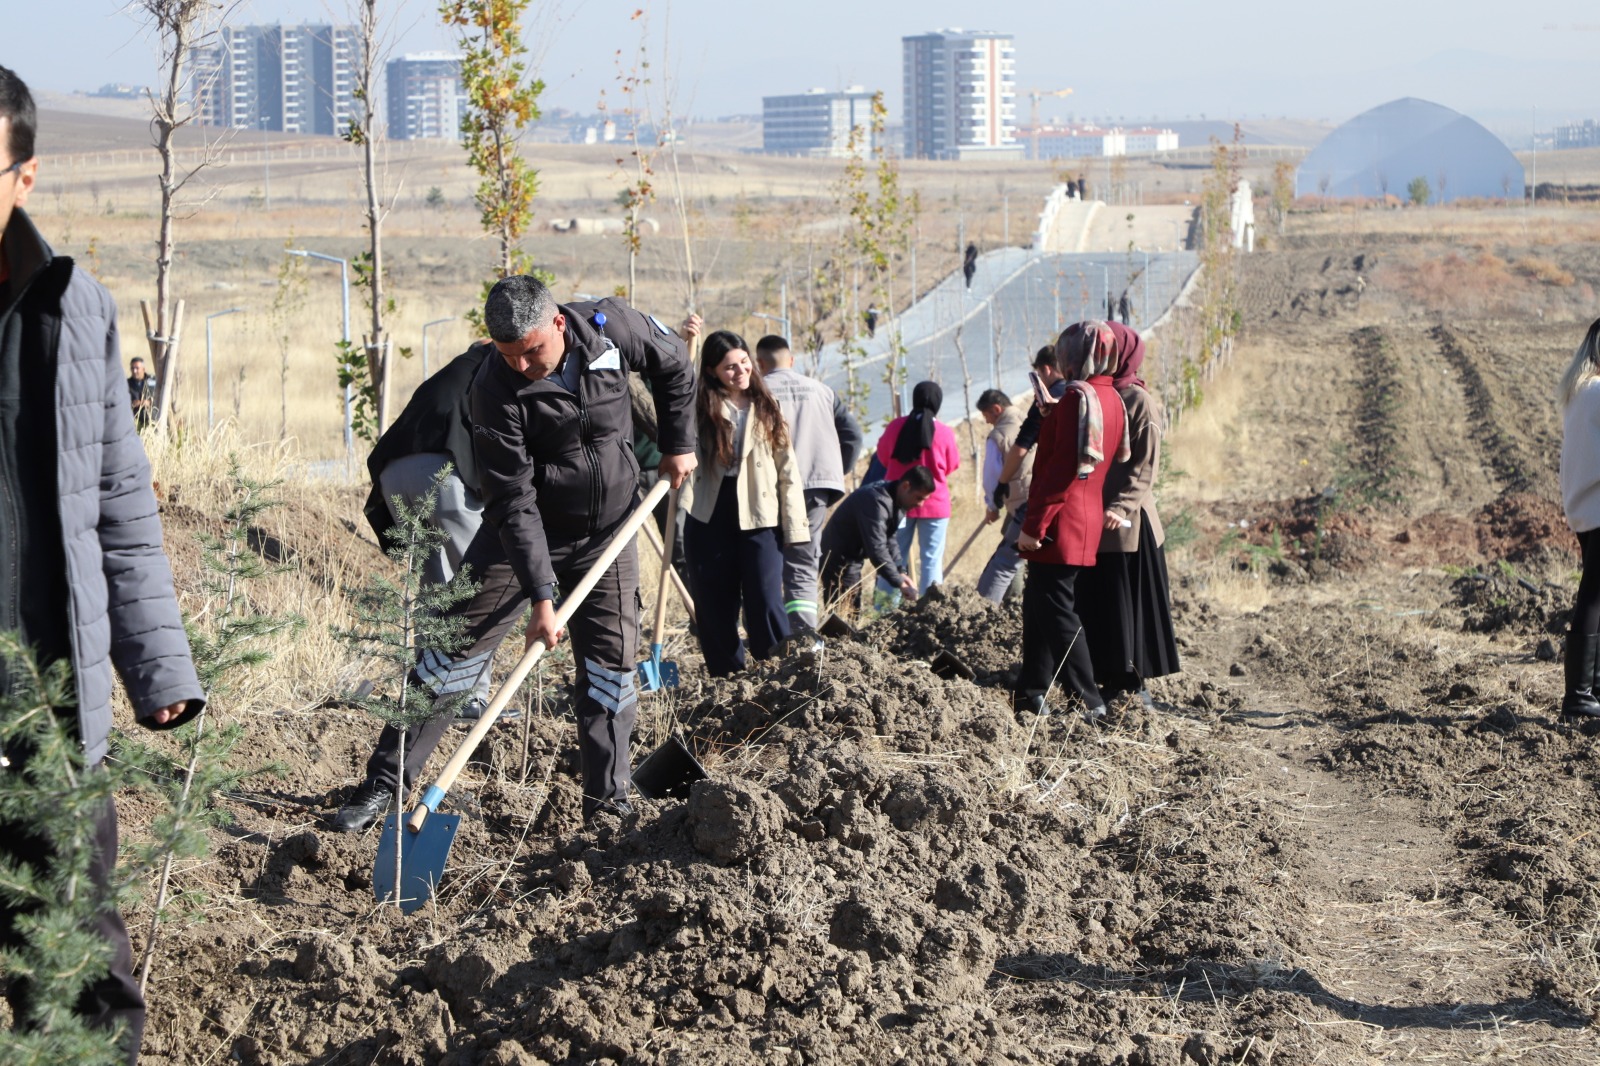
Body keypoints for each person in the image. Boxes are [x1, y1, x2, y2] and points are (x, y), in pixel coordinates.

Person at [0, 67, 204, 1062]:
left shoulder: (75, 313)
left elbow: (120, 503)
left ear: (22, 176)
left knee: (77, 964)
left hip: (39, 698)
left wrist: (156, 666)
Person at [332, 277, 695, 831]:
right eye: (510, 356)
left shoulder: (611, 328)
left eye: (532, 352)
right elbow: (512, 498)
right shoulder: (492, 389)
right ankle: (385, 783)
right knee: (452, 655)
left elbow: (673, 364)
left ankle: (607, 807)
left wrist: (679, 443)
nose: (523, 366)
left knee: (611, 669)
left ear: (557, 323)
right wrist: (542, 597)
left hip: (610, 532)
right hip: (522, 536)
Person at [362, 341, 502, 715]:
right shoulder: (496, 372)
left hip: (395, 476)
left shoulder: (453, 371)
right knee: (477, 585)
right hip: (443, 475)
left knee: (434, 587)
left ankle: (427, 691)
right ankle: (468, 697)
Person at [1013, 321, 1128, 722]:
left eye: (1065, 351)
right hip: (1084, 515)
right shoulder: (1108, 396)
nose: (1060, 358)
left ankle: (1089, 699)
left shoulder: (1080, 397)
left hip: (1062, 518)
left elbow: (1061, 470)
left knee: (1056, 607)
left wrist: (1034, 526)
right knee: (1040, 603)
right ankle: (1031, 693)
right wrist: (1052, 413)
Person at [681, 330, 809, 676]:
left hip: (760, 513)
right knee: (714, 604)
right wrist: (684, 343)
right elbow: (679, 388)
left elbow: (788, 469)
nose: (740, 372)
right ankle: (728, 680)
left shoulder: (768, 407)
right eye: (728, 367)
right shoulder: (700, 407)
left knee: (765, 599)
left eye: (743, 362)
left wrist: (795, 524)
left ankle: (779, 673)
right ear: (711, 372)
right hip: (711, 513)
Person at [1075, 323, 1180, 708]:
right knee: (1103, 603)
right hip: (1099, 523)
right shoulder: (1100, 395)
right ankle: (1109, 677)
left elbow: (1145, 466)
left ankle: (1134, 686)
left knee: (1125, 607)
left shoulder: (1137, 399)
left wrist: (1120, 506)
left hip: (1126, 527)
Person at [755, 334, 863, 632]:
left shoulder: (757, 391)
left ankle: (772, 634)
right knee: (802, 564)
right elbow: (853, 436)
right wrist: (835, 471)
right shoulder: (823, 391)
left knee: (768, 561)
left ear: (759, 363)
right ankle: (804, 637)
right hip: (814, 488)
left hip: (769, 489)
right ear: (791, 361)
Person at [874, 381, 960, 597]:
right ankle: (930, 610)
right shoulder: (944, 432)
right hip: (935, 504)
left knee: (893, 558)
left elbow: (883, 457)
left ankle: (885, 610)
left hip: (898, 501)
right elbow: (952, 465)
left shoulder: (895, 426)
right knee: (931, 559)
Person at [820, 466, 936, 617]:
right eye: (919, 498)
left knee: (850, 610)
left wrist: (901, 571)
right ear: (906, 486)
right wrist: (899, 582)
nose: (921, 504)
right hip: (837, 557)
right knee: (844, 612)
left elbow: (890, 538)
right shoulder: (876, 502)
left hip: (853, 557)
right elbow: (877, 548)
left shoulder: (897, 501)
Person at [1559, 317, 1600, 717]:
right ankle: (1580, 696)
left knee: (1595, 594)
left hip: (1584, 509)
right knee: (1593, 595)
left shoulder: (1578, 392)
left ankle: (1591, 690)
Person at [975, 388, 1034, 603]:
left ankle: (1009, 600)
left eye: (987, 416)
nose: (988, 422)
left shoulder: (999, 434)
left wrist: (992, 505)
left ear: (996, 409)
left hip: (1021, 501)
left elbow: (992, 476)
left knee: (1009, 555)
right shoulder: (1031, 417)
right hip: (1044, 496)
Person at [127, 355, 158, 429]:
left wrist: (149, 402)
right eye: (132, 368)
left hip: (152, 420)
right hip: (134, 421)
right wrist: (132, 404)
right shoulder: (126, 384)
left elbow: (161, 398)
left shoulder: (153, 381)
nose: (134, 371)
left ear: (143, 369)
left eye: (137, 368)